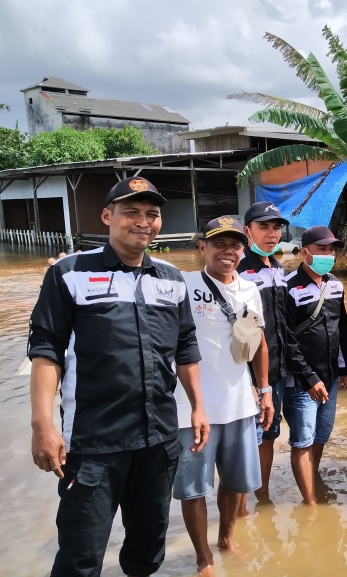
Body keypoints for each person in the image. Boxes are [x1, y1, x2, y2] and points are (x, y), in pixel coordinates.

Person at [28, 177, 210, 577]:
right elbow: (46, 351)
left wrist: (198, 407)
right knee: (80, 557)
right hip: (94, 444)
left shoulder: (171, 278)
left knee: (147, 551)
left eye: (152, 214)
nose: (142, 221)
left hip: (159, 440)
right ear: (107, 216)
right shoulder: (69, 273)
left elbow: (185, 347)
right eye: (131, 212)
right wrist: (42, 423)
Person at [173, 217, 272, 576]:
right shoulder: (182, 284)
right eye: (218, 243)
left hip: (240, 404)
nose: (228, 251)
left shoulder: (250, 289)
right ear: (202, 247)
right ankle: (203, 558)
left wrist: (265, 390)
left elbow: (258, 342)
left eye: (235, 244)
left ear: (243, 249)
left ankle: (226, 539)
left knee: (235, 482)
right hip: (192, 408)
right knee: (193, 488)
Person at [237, 201, 313, 497]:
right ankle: (245, 507)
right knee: (254, 439)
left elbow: (283, 327)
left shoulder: (279, 269)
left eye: (276, 228)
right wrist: (253, 382)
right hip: (254, 375)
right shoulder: (240, 272)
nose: (272, 234)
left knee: (268, 435)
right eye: (263, 227)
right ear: (247, 231)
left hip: (280, 370)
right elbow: (242, 333)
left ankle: (263, 497)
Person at [283, 225, 347, 504]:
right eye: (321, 249)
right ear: (305, 252)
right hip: (302, 381)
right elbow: (287, 339)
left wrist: (345, 367)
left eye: (331, 249)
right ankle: (310, 503)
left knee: (321, 435)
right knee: (302, 440)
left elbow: (342, 328)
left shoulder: (335, 284)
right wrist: (309, 379)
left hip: (332, 375)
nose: (328, 254)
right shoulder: (289, 287)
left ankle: (313, 479)